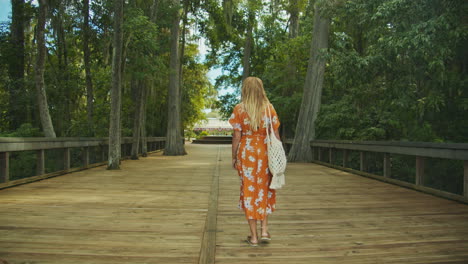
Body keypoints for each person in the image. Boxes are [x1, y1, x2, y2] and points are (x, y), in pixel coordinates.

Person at [229, 76, 281, 247]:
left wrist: (234, 156)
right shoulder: (269, 108)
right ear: (261, 89)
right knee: (264, 190)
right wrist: (279, 154)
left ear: (245, 89)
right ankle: (265, 231)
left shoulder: (239, 109)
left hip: (247, 152)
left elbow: (237, 136)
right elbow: (275, 134)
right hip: (265, 152)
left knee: (249, 191)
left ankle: (253, 237)